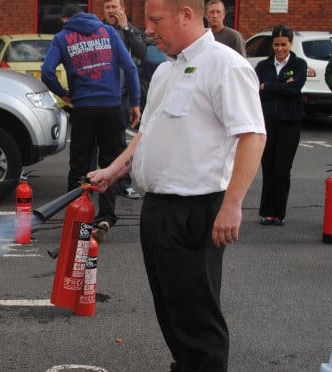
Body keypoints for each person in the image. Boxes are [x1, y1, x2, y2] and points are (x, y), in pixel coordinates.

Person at [88, 0, 266, 371]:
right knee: (172, 312)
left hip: (196, 210)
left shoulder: (225, 65)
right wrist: (114, 169)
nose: (148, 30)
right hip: (158, 210)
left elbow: (253, 135)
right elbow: (146, 133)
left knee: (197, 320)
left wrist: (232, 205)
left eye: (155, 20)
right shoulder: (169, 70)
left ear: (186, 14)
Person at [41, 4, 140, 237]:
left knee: (80, 165)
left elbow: (46, 71)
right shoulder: (108, 32)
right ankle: (105, 217)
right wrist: (135, 101)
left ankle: (76, 219)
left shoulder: (63, 37)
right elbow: (130, 67)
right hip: (110, 107)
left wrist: (63, 92)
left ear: (67, 20)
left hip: (83, 107)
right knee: (110, 162)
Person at [254, 24, 307, 226]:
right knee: (268, 168)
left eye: (284, 44)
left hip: (290, 124)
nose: (280, 48)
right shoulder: (262, 66)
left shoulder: (299, 65)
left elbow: (295, 90)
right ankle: (268, 212)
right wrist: (282, 86)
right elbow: (256, 91)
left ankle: (279, 213)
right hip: (267, 125)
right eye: (276, 44)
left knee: (282, 170)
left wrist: (268, 86)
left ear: (290, 44)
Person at [102, 0, 146, 199]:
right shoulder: (98, 31)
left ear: (122, 10)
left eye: (114, 7)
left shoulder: (130, 31)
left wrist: (126, 28)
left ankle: (124, 184)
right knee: (98, 143)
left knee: (122, 142)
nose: (111, 11)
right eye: (107, 7)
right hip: (102, 94)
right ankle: (99, 181)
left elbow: (141, 52)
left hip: (122, 96)